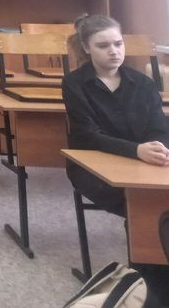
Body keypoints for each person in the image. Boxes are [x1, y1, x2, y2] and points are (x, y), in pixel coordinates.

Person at [63, 14, 169, 216]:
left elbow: (158, 127)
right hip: (92, 163)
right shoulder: (74, 83)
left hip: (142, 160)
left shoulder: (143, 83)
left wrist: (159, 149)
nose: (114, 51)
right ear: (86, 48)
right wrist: (136, 150)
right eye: (103, 46)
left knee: (159, 197)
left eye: (118, 44)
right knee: (137, 200)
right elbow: (88, 136)